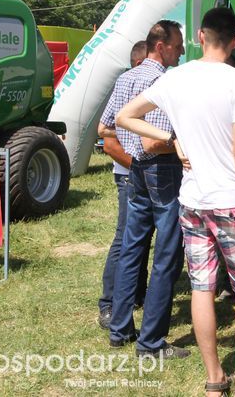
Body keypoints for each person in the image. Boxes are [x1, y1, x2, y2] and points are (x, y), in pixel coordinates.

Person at [117, 7, 235, 396]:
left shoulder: (175, 78)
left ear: (199, 34)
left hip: (192, 201)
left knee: (200, 288)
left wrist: (173, 138)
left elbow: (125, 117)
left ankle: (214, 381)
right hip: (233, 202)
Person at [102, 21, 190, 360]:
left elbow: (106, 126)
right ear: (161, 45)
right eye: (178, 44)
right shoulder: (162, 81)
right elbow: (153, 141)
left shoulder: (127, 77)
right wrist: (184, 143)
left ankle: (120, 327)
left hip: (134, 171)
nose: (181, 50)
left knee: (132, 247)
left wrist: (129, 153)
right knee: (167, 255)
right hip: (162, 171)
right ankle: (151, 342)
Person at [96, 40, 148, 330]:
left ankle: (134, 294)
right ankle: (110, 303)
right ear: (140, 65)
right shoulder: (127, 89)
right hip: (130, 176)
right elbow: (109, 141)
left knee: (138, 240)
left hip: (137, 175)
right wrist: (140, 168)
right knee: (125, 239)